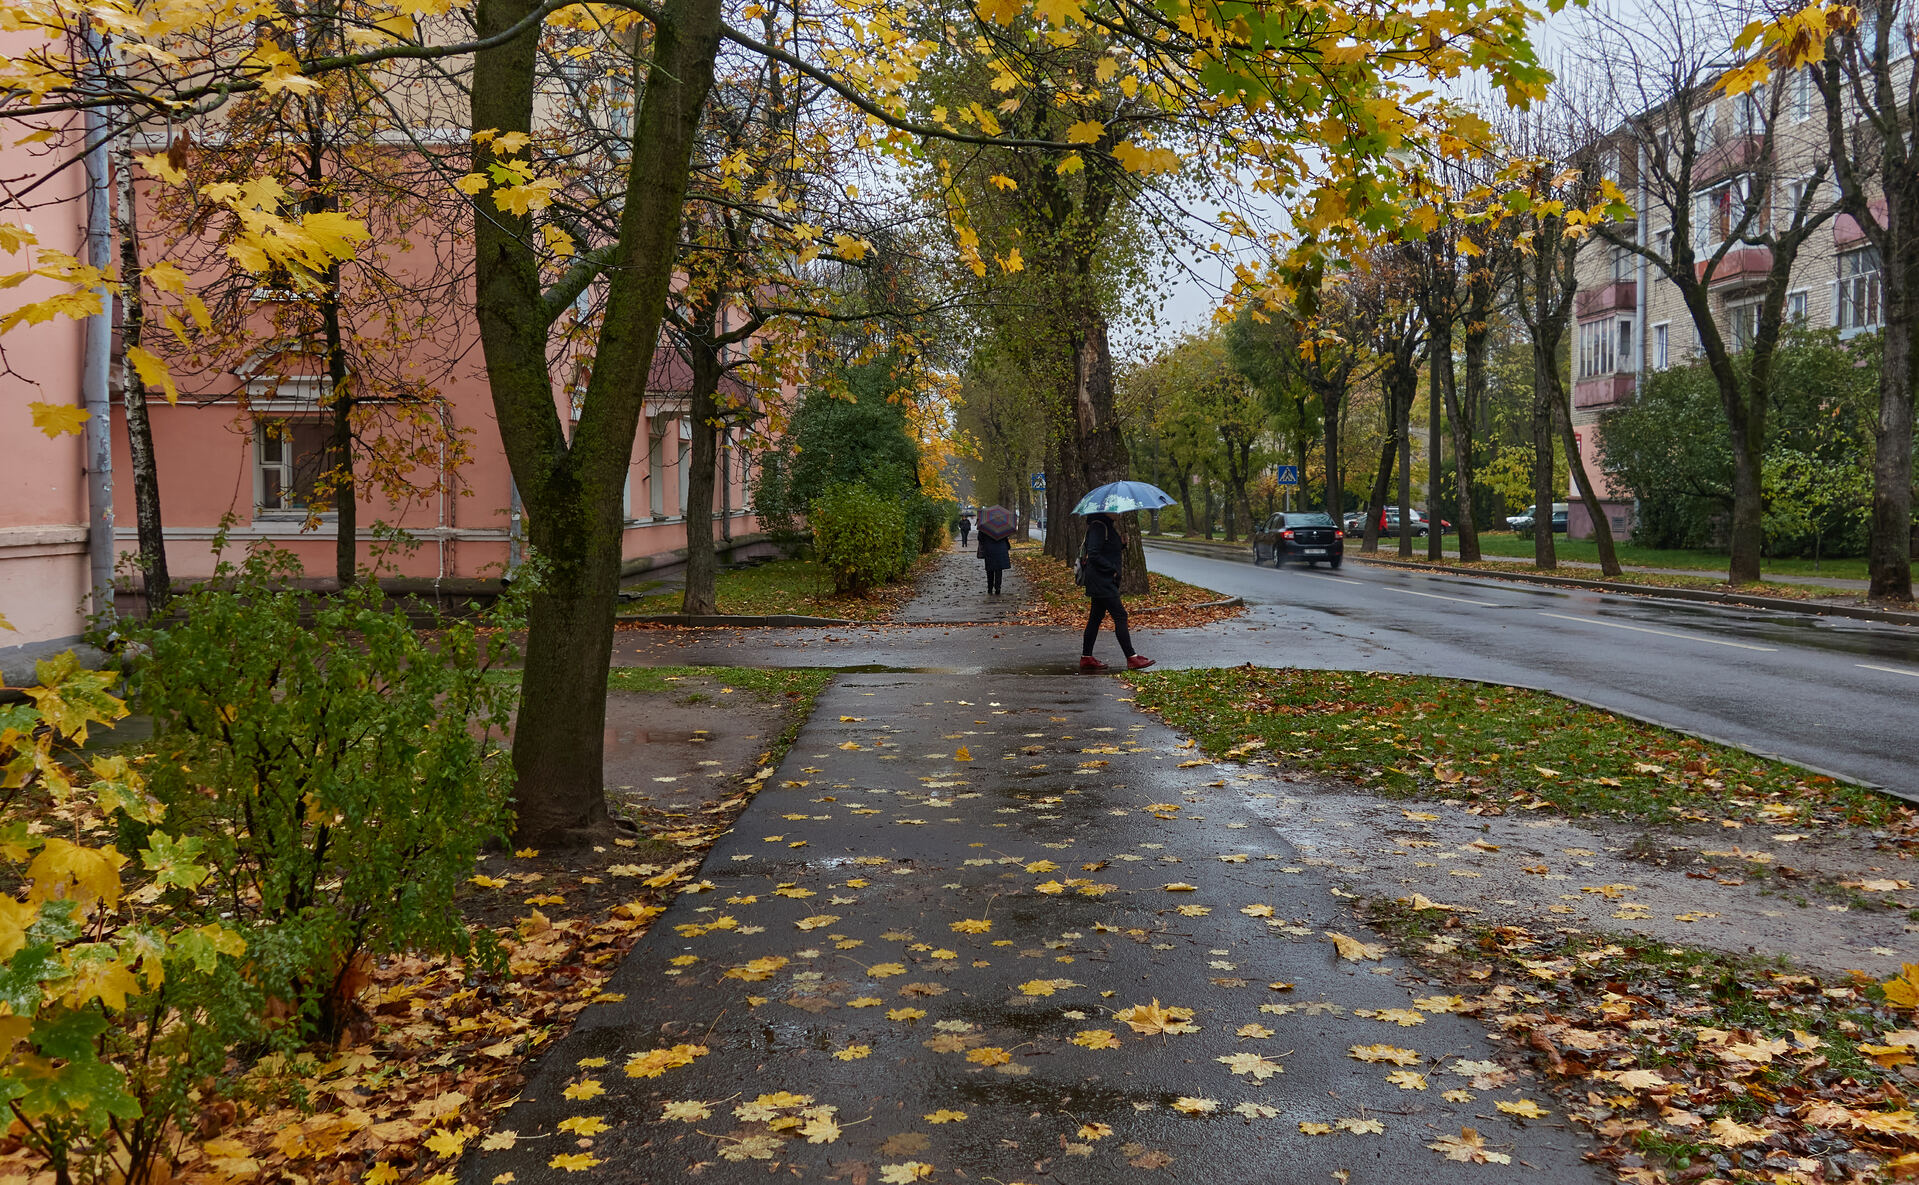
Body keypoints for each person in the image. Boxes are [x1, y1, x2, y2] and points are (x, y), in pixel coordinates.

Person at [1078, 512, 1153, 671]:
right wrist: (1112, 569)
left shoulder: (1106, 526)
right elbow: (1094, 554)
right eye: (1115, 510)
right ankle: (1131, 657)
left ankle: (1086, 657)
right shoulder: (1099, 526)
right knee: (1120, 615)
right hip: (1101, 580)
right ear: (1105, 511)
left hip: (1101, 580)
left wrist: (1122, 544)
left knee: (1095, 617)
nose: (1119, 513)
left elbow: (1107, 550)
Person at [977, 529, 1010, 595]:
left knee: (990, 569)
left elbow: (980, 538)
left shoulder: (985, 527)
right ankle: (998, 588)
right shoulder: (1002, 527)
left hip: (989, 549)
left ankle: (990, 588)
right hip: (1000, 549)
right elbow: (1006, 537)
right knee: (998, 570)